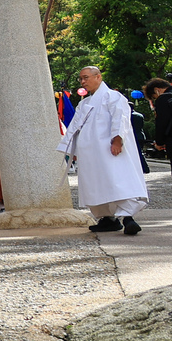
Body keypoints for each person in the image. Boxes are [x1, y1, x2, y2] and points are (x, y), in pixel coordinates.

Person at [60, 66, 148, 235]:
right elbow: (75, 127)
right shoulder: (84, 103)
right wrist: (71, 148)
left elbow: (120, 118)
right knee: (95, 183)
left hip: (110, 149)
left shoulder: (113, 97)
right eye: (81, 79)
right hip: (91, 153)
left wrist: (117, 139)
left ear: (98, 77)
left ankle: (128, 217)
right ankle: (107, 218)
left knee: (117, 179)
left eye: (86, 77)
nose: (83, 82)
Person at [147, 77, 172, 157]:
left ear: (156, 90)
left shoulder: (163, 98)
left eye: (154, 97)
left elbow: (162, 122)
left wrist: (159, 142)